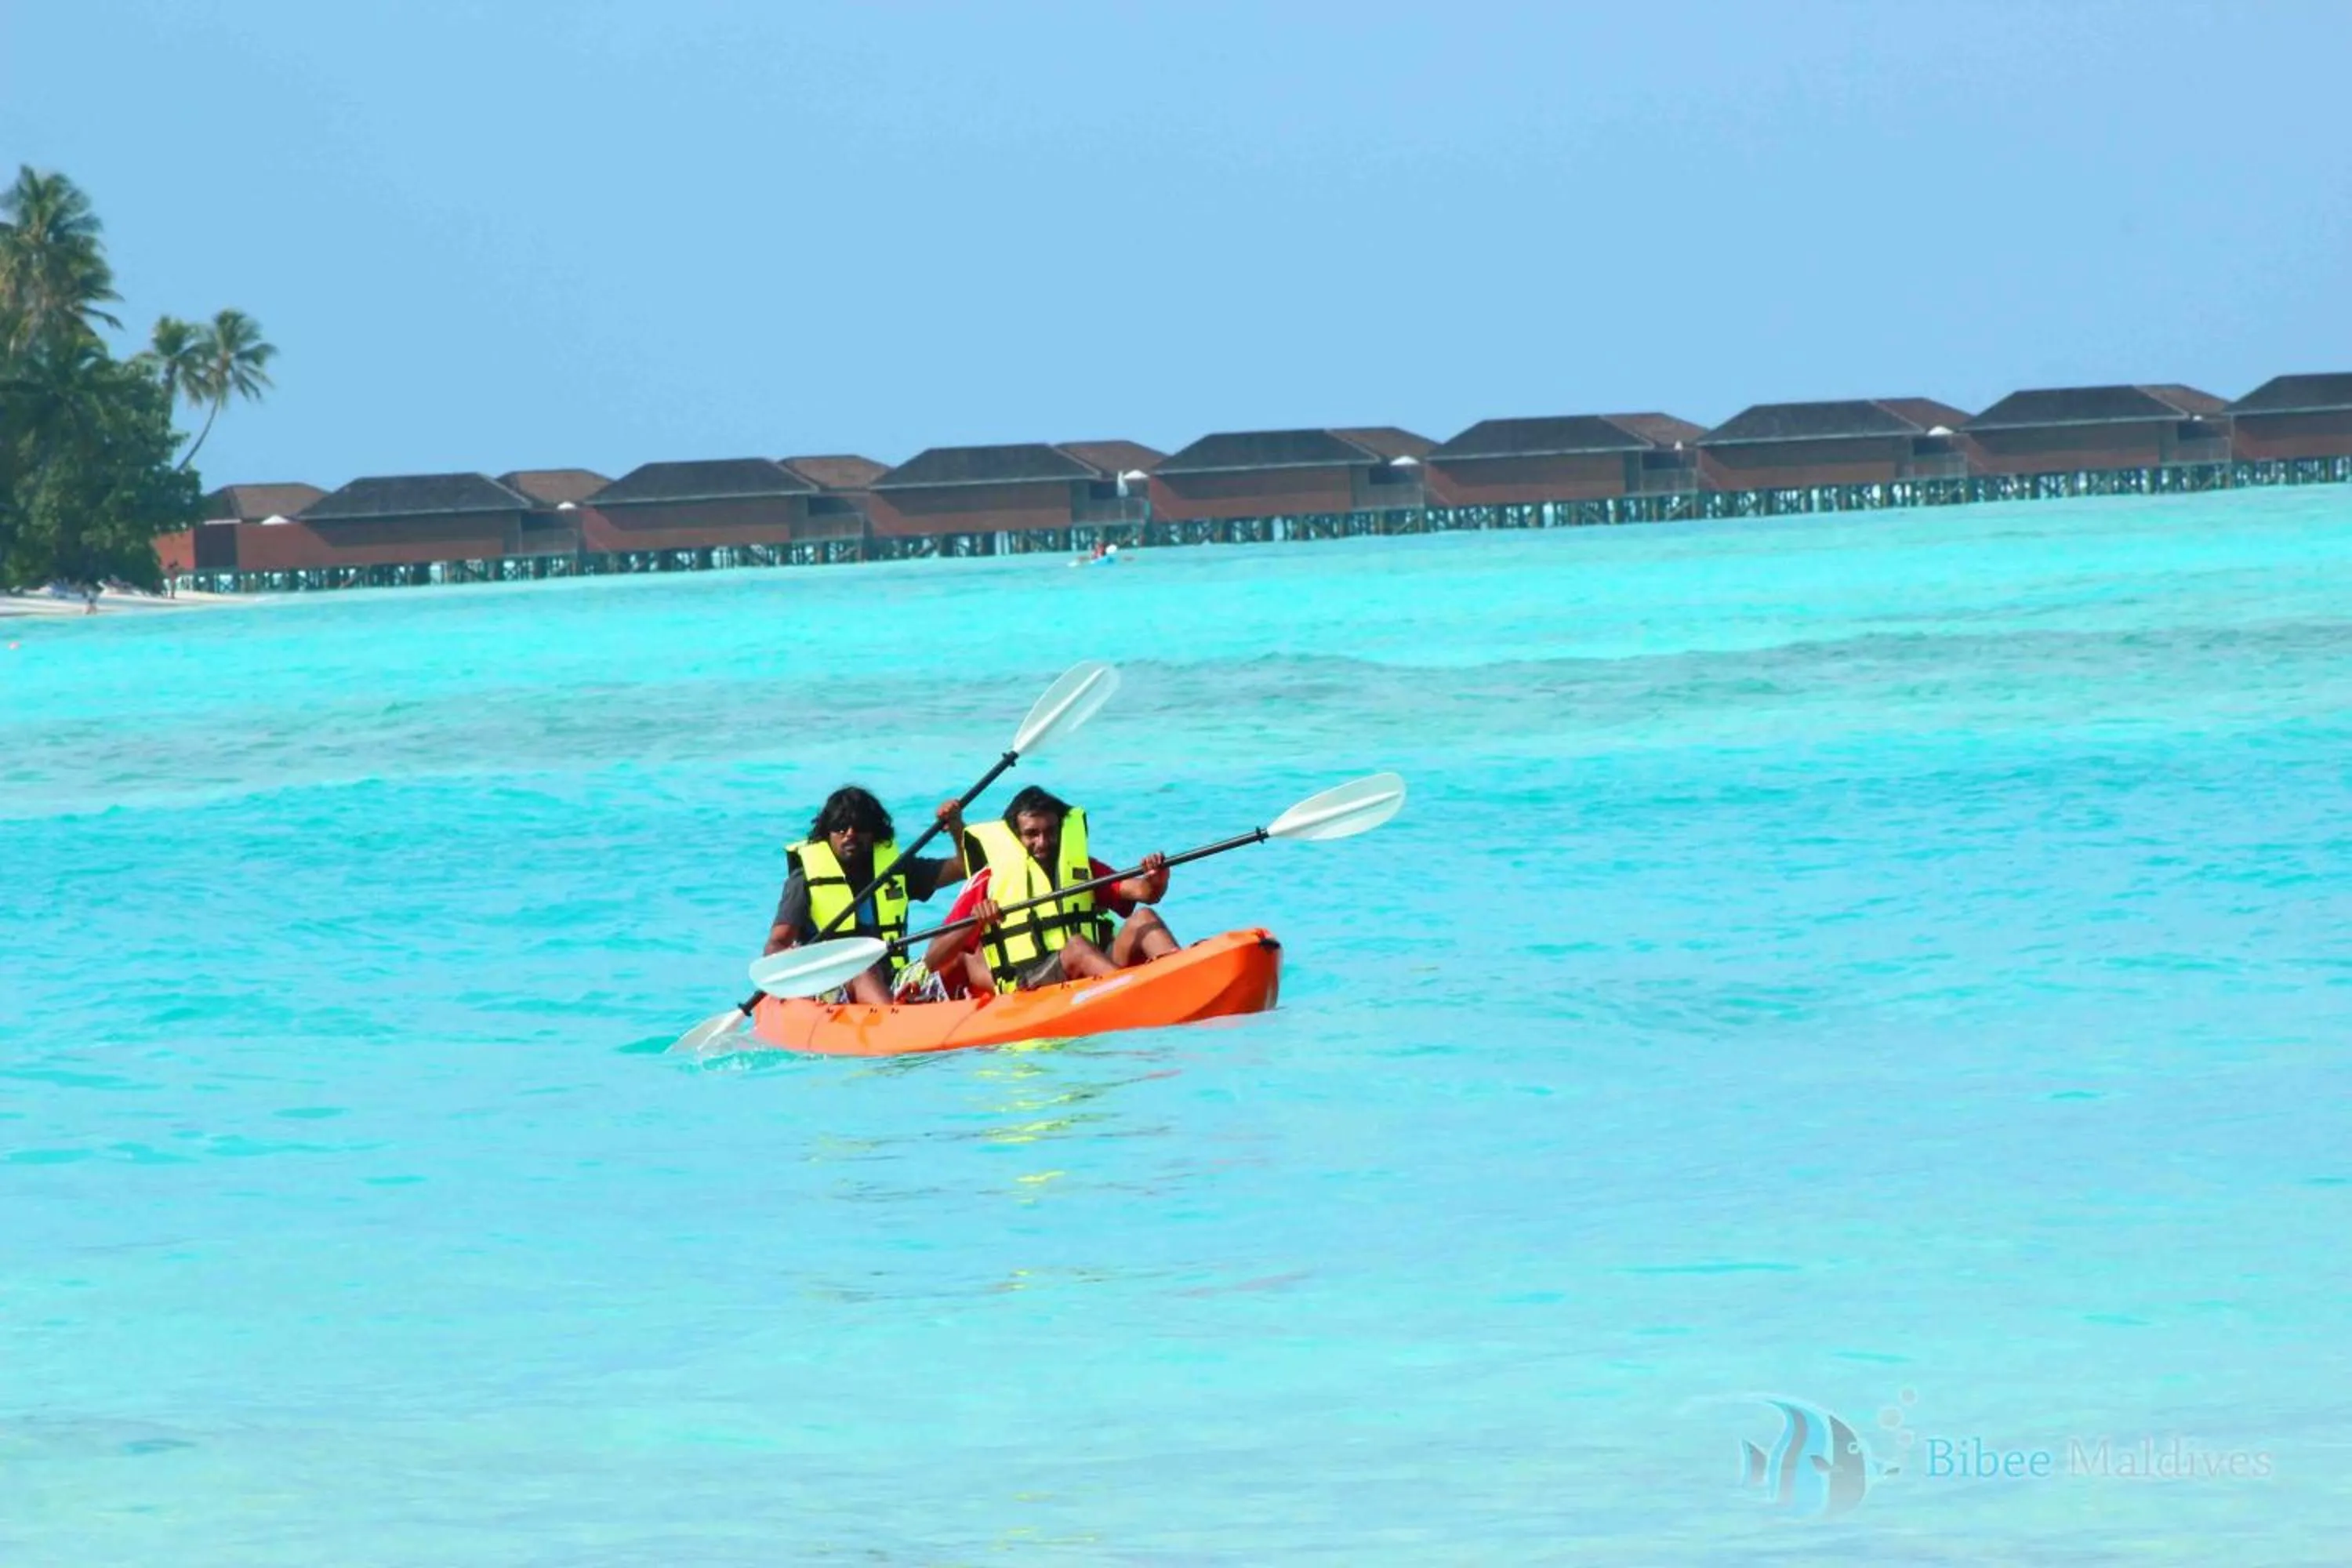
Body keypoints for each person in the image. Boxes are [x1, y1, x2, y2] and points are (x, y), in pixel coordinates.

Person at [926, 785, 1177, 996]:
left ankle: (1182, 979)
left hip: (1094, 970)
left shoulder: (1080, 867)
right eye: (1032, 834)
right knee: (1076, 946)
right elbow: (933, 959)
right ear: (1015, 836)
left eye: (1050, 832)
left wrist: (1156, 879)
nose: (1043, 842)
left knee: (1143, 919)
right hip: (1030, 982)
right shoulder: (988, 880)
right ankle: (1139, 996)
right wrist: (974, 921)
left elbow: (1146, 893)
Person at [765, 786, 967, 1005]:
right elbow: (776, 943)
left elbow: (964, 866)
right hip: (834, 986)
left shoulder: (896, 871)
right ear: (827, 833)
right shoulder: (805, 880)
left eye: (860, 827)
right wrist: (793, 963)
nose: (850, 834)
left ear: (875, 833)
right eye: (841, 827)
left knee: (962, 952)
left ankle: (1001, 1011)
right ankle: (895, 1023)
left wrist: (956, 827)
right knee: (863, 969)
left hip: (896, 978)